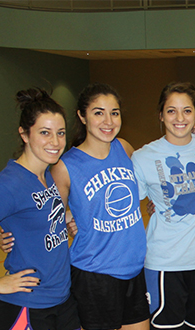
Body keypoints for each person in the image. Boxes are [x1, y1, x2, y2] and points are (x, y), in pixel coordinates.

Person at [52, 83, 149, 330]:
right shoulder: (65, 167)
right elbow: (49, 223)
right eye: (98, 112)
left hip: (134, 269)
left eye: (114, 112)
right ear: (82, 116)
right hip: (94, 275)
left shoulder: (125, 148)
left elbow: (152, 183)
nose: (108, 121)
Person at [131, 82, 195, 330]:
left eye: (187, 111)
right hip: (164, 265)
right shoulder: (143, 157)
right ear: (161, 115)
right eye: (171, 111)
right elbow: (128, 204)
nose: (179, 118)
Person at [0, 88, 79, 330]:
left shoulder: (45, 173)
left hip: (62, 300)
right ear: (24, 134)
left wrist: (65, 219)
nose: (55, 142)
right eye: (45, 133)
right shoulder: (9, 184)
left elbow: (34, 215)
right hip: (28, 305)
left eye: (60, 133)